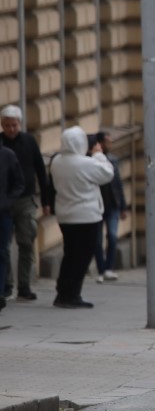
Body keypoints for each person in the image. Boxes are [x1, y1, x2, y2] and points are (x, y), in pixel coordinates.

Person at [49, 127, 114, 308]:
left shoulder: (56, 162)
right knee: (83, 256)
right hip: (86, 216)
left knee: (70, 254)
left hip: (65, 216)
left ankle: (62, 291)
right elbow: (108, 173)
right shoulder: (86, 163)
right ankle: (72, 295)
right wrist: (99, 154)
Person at [1, 105, 48, 301]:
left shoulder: (29, 141)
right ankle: (6, 284)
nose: (11, 129)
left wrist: (46, 200)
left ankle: (24, 285)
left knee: (26, 241)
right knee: (3, 246)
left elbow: (40, 169)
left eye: (14, 125)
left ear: (20, 124)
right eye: (7, 125)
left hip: (26, 199)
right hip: (3, 202)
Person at [88, 132, 127, 284]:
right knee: (97, 240)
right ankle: (101, 269)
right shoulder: (91, 161)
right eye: (107, 141)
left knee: (112, 236)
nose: (110, 144)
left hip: (113, 205)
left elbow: (118, 184)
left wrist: (123, 206)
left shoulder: (113, 160)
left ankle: (109, 268)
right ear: (99, 144)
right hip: (97, 205)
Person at [0, 145, 24, 309]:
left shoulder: (7, 155)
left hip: (3, 213)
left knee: (2, 251)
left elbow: (19, 183)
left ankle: (1, 291)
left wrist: (6, 203)